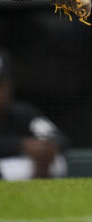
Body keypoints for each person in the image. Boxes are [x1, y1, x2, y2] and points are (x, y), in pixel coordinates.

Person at [0, 49, 68, 180]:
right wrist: (21, 145)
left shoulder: (22, 112)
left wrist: (45, 149)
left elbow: (58, 138)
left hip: (19, 168)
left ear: (10, 86)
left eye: (0, 84)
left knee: (58, 163)